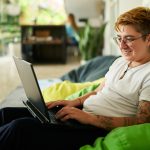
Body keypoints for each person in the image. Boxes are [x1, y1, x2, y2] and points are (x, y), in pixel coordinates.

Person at [0, 6, 150, 150]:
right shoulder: (120, 61)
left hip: (92, 129)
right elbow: (99, 90)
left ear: (148, 39)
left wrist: (91, 119)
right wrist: (73, 102)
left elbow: (143, 121)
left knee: (20, 129)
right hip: (81, 117)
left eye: (129, 39)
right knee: (6, 113)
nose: (122, 45)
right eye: (119, 38)